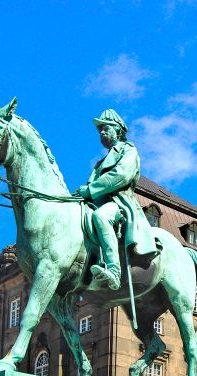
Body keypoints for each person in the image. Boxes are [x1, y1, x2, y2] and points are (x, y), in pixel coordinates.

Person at [73, 109, 157, 290]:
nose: (101, 132)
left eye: (105, 128)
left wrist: (89, 190)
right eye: (99, 130)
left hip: (118, 202)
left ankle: (113, 271)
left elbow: (121, 175)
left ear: (118, 129)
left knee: (101, 217)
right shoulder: (99, 162)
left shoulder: (128, 150)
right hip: (96, 202)